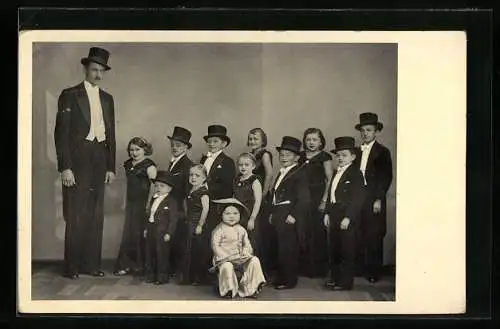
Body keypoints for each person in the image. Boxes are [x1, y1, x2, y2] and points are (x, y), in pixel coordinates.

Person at [54, 46, 116, 279]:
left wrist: (110, 166)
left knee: (95, 214)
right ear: (86, 69)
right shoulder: (69, 95)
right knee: (76, 213)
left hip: (100, 158)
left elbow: (112, 134)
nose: (98, 75)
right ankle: (72, 267)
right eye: (94, 70)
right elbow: (61, 134)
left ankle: (91, 265)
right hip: (78, 160)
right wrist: (65, 167)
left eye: (101, 71)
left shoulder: (108, 99)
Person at [353, 113, 393, 283]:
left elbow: (385, 177)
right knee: (358, 232)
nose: (365, 134)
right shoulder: (355, 151)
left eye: (369, 130)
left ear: (376, 132)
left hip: (373, 198)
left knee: (374, 234)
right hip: (358, 198)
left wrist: (378, 198)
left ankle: (373, 271)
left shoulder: (382, 152)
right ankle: (360, 267)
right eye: (362, 130)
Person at [323, 137, 365, 291]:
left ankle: (345, 282)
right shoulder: (336, 172)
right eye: (338, 155)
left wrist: (348, 217)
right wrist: (327, 212)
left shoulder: (356, 174)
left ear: (353, 157)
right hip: (334, 213)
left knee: (346, 249)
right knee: (335, 248)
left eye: (344, 155)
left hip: (346, 216)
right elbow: (331, 193)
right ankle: (335, 278)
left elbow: (357, 198)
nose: (340, 158)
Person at [268, 136, 310, 290]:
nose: (284, 156)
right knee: (280, 247)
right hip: (279, 212)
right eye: (282, 154)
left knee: (289, 248)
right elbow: (276, 195)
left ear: (297, 157)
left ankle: (289, 280)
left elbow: (304, 199)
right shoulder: (282, 172)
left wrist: (294, 215)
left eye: (288, 154)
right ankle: (281, 277)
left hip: (289, 215)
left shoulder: (299, 173)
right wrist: (273, 212)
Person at [114, 137, 157, 277]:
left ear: (145, 150)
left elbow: (154, 187)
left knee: (140, 233)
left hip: (143, 203)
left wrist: (149, 204)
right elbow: (127, 185)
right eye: (131, 150)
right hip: (131, 203)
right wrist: (124, 202)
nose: (134, 152)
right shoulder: (128, 164)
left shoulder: (149, 166)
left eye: (137, 149)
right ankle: (126, 265)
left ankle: (141, 266)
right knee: (129, 234)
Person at [210, 198, 266, 299]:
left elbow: (246, 244)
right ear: (221, 215)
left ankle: (251, 288)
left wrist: (246, 251)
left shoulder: (241, 229)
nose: (232, 216)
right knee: (227, 266)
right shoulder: (219, 230)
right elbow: (215, 245)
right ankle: (229, 290)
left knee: (254, 260)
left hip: (240, 258)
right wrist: (224, 256)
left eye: (235, 213)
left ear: (240, 215)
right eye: (227, 213)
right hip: (224, 259)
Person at [298, 128, 334, 278]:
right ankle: (304, 267)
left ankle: (318, 269)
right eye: (308, 140)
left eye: (314, 140)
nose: (311, 143)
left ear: (321, 141)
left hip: (318, 197)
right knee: (302, 231)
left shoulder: (325, 157)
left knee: (317, 232)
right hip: (302, 196)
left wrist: (324, 201)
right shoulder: (300, 156)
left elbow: (329, 179)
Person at [166, 126, 194, 277]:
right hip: (171, 205)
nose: (175, 148)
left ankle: (177, 269)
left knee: (178, 237)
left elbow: (187, 189)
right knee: (172, 235)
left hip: (179, 206)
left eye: (178, 145)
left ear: (186, 147)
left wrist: (184, 210)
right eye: (173, 145)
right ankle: (171, 268)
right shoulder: (173, 162)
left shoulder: (187, 165)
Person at [247, 128, 274, 277]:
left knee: (260, 232)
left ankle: (262, 268)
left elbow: (269, 174)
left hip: (261, 196)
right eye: (250, 139)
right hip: (251, 196)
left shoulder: (264, 154)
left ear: (263, 140)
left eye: (256, 139)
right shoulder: (251, 155)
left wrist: (263, 194)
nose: (252, 141)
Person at [143, 171, 179, 285]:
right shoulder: (154, 199)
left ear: (169, 189)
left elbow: (173, 219)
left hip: (162, 231)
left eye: (162, 186)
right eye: (157, 186)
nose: (158, 188)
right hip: (152, 228)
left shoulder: (171, 201)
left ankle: (162, 277)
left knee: (161, 254)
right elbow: (150, 215)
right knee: (150, 252)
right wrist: (146, 228)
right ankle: (150, 275)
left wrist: (169, 233)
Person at [177, 164, 210, 285]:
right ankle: (187, 277)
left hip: (197, 224)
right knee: (187, 250)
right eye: (191, 175)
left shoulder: (203, 192)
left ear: (204, 178)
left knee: (197, 250)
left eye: (197, 175)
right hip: (189, 223)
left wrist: (200, 225)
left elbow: (205, 209)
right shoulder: (191, 190)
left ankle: (198, 277)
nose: (193, 178)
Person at [233, 152, 263, 251]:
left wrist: (252, 219)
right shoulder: (237, 179)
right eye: (240, 165)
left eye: (247, 165)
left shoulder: (254, 180)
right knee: (237, 242)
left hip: (249, 214)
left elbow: (258, 201)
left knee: (249, 242)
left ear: (253, 166)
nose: (243, 167)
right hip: (238, 215)